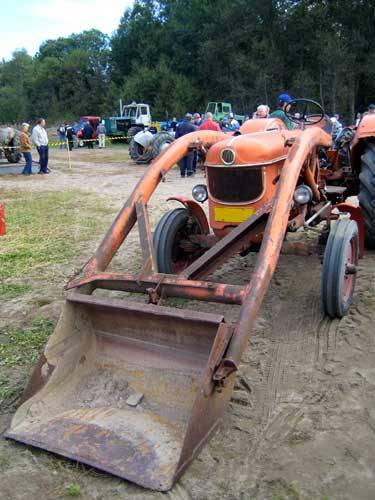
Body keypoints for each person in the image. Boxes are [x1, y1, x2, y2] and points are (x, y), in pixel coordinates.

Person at [175, 113, 196, 177]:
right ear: (190, 119)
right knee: (190, 159)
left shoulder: (179, 126)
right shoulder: (192, 127)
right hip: (189, 146)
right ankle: (189, 173)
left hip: (181, 145)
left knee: (182, 159)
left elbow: (176, 136)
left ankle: (182, 173)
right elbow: (194, 138)